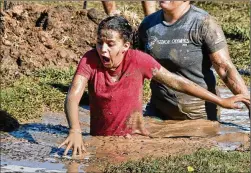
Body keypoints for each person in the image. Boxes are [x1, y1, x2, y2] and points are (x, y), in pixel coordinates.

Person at [58, 16, 249, 157]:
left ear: (126, 46)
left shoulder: (139, 60)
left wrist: (220, 101)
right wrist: (75, 130)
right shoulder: (89, 59)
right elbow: (73, 96)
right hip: (99, 137)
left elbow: (177, 82)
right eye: (99, 43)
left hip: (132, 141)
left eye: (110, 44)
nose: (103, 50)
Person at [138, 1, 250, 120]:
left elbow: (225, 68)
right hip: (157, 110)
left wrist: (248, 102)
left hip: (198, 114)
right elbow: (136, 68)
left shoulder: (203, 23)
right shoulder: (148, 24)